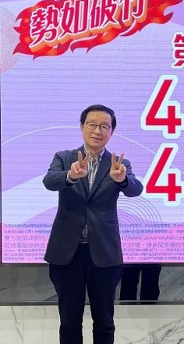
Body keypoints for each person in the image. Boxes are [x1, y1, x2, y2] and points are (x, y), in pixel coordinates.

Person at [43, 104, 144, 344]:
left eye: (104, 126)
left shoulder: (118, 163)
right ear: (82, 127)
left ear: (111, 132)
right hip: (67, 254)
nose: (97, 131)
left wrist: (122, 179)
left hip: (104, 253)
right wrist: (70, 176)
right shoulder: (64, 157)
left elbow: (135, 189)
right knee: (69, 323)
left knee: (105, 323)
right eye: (92, 124)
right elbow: (49, 181)